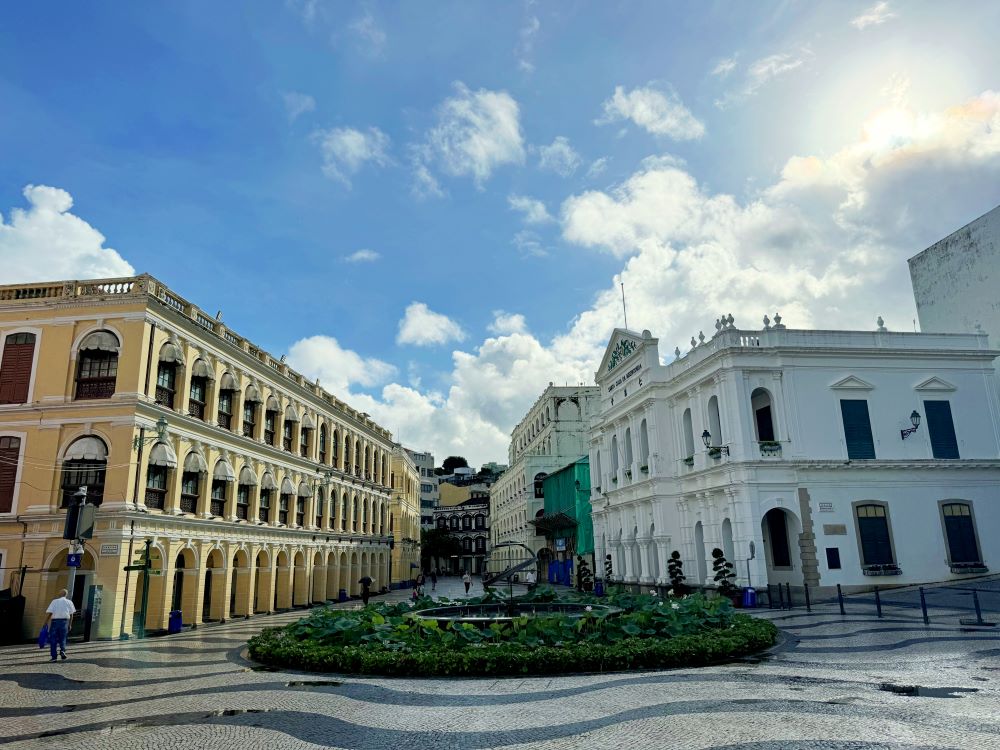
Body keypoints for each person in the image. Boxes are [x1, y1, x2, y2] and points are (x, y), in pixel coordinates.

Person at [43, 589, 75, 662]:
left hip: (55, 622)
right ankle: (62, 650)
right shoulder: (69, 602)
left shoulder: (54, 601)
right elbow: (72, 614)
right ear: (66, 595)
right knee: (63, 638)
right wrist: (70, 624)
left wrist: (45, 622)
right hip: (64, 622)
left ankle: (54, 657)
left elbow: (50, 613)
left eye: (59, 592)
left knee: (53, 639)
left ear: (60, 594)